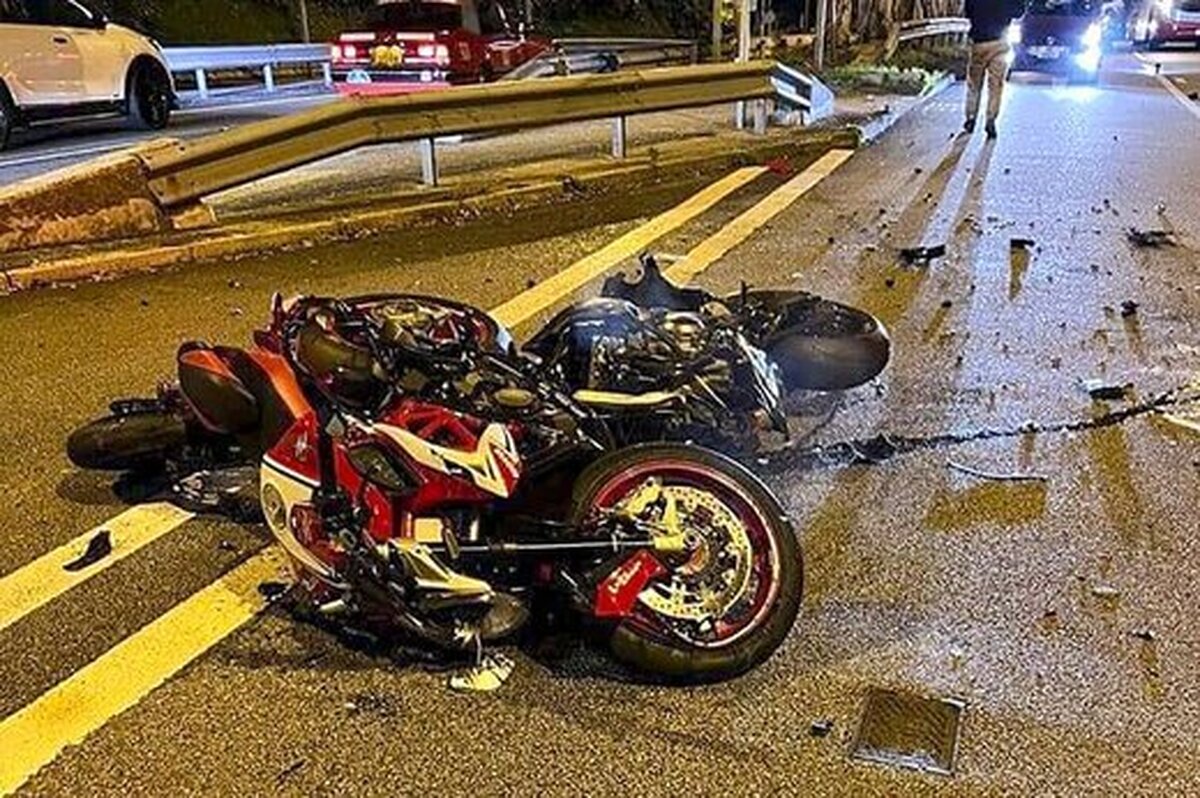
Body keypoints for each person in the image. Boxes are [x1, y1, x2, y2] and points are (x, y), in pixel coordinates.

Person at [963, 0, 1027, 139]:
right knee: (996, 85)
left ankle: (971, 118)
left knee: (974, 84)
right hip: (1000, 43)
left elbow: (968, 12)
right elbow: (1019, 12)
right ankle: (991, 119)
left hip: (979, 42)